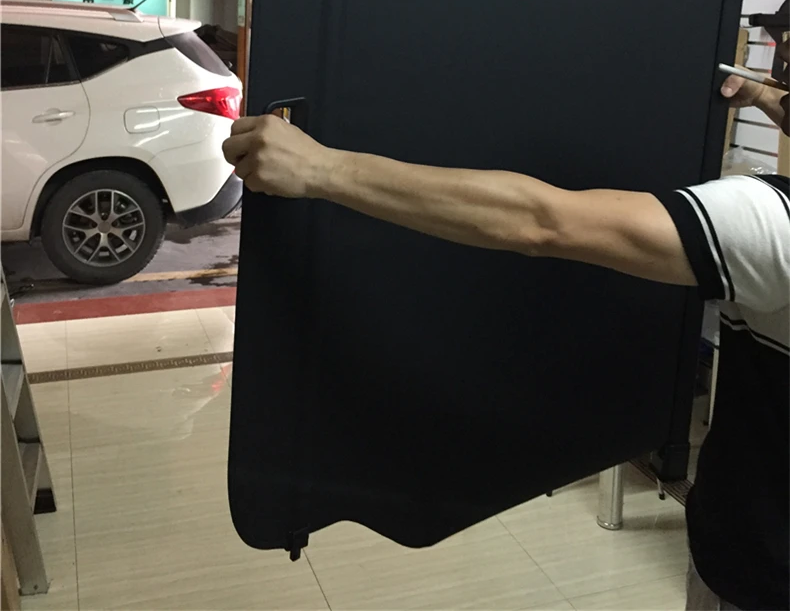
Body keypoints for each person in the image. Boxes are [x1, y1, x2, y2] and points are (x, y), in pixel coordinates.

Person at [224, 44, 789, 611]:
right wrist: (766, 96)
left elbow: (542, 221)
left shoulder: (772, 221)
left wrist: (318, 168)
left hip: (756, 575)